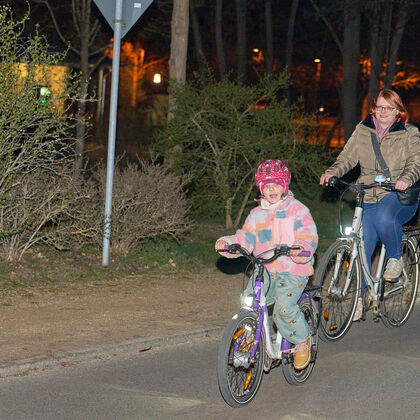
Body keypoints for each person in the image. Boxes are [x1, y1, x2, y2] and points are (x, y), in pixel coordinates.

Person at [320, 89, 420, 321]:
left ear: (398, 111)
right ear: (373, 108)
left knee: (384, 218)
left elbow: (416, 162)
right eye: (379, 107)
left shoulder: (409, 133)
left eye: (389, 108)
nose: (383, 112)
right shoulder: (363, 129)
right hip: (367, 193)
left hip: (398, 195)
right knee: (361, 246)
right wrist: (332, 172)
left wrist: (406, 179)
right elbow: (348, 157)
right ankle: (357, 299)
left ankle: (395, 258)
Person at [215, 159, 318, 369]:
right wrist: (229, 244)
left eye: (276, 185)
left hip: (293, 270)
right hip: (266, 270)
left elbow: (308, 236)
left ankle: (302, 340)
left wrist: (300, 248)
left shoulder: (297, 210)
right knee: (248, 303)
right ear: (261, 189)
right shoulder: (256, 214)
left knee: (283, 309)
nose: (271, 189)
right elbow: (245, 238)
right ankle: (248, 340)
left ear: (284, 186)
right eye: (267, 185)